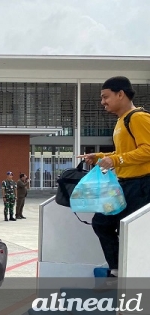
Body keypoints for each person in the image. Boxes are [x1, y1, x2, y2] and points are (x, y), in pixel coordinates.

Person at [78, 76, 150, 278]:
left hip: (142, 184)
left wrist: (116, 161)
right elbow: (124, 152)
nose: (103, 102)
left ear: (121, 94)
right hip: (126, 184)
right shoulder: (121, 121)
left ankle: (129, 272)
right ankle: (119, 269)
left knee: (128, 230)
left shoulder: (137, 118)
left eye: (105, 97)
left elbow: (148, 150)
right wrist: (101, 157)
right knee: (103, 223)